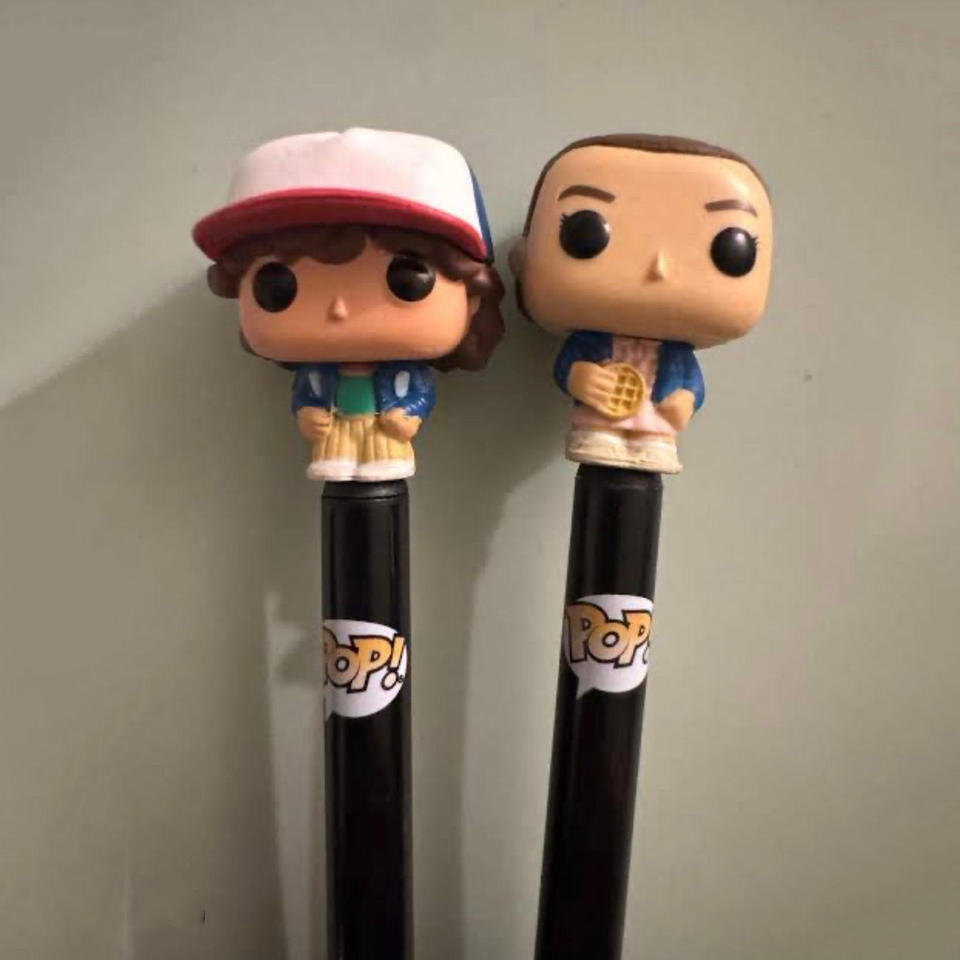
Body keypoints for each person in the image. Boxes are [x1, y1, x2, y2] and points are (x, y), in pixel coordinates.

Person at [194, 127, 504, 481]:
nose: (339, 309)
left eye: (406, 280)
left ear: (473, 297)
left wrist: (408, 414)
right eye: (278, 287)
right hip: (336, 434)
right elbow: (306, 396)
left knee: (385, 463)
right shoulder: (317, 374)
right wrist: (308, 414)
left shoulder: (402, 372)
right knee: (334, 461)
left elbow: (419, 394)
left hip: (385, 436)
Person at [511, 134, 773, 473]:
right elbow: (567, 366)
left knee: (649, 458)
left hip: (655, 424)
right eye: (585, 234)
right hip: (598, 421)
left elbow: (692, 385)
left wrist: (684, 401)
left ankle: (649, 448)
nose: (658, 267)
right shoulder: (589, 341)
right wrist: (580, 377)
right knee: (597, 450)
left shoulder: (676, 353)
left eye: (730, 249)